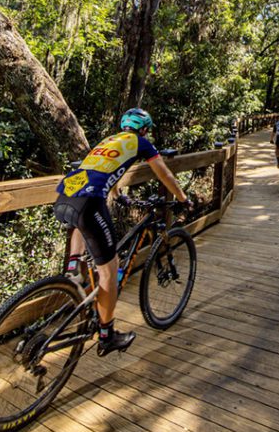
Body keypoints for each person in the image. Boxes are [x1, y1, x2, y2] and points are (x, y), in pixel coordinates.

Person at [53, 107, 189, 356]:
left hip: (65, 196)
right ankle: (107, 335)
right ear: (145, 129)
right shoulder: (140, 143)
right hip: (88, 203)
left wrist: (118, 195)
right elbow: (164, 172)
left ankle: (73, 272)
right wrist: (182, 197)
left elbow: (104, 171)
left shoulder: (108, 141)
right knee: (110, 270)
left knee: (81, 224)